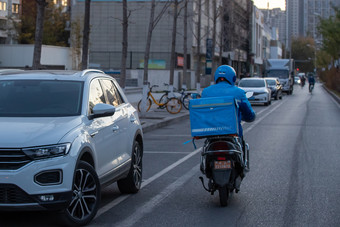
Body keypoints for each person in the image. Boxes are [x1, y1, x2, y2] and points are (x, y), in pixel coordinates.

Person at [201, 65, 256, 140]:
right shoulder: (239, 92)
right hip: (233, 133)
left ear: (215, 77)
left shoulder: (205, 92)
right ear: (233, 78)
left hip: (211, 132)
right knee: (239, 146)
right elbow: (249, 113)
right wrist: (250, 116)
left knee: (206, 148)